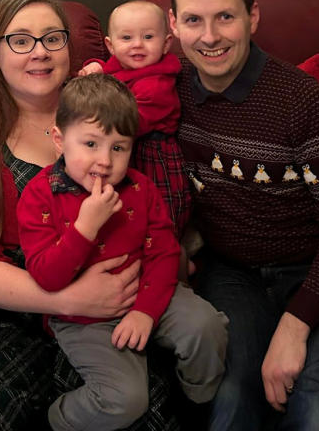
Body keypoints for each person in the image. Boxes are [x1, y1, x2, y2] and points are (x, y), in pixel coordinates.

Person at [0, 0, 176, 431]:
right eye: (21, 40)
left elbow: (145, 201)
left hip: (98, 301)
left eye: (52, 38)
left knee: (144, 409)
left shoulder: (97, 110)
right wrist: (69, 297)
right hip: (2, 302)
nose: (39, 53)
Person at [168, 0, 319, 431]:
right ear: (174, 25)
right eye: (194, 20)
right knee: (229, 405)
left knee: (317, 411)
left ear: (253, 17)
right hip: (232, 270)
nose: (209, 36)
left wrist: (296, 323)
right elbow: (97, 113)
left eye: (226, 16)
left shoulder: (304, 102)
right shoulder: (164, 90)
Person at [18, 74, 229, 431]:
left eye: (118, 147)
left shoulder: (140, 188)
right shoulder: (39, 197)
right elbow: (46, 277)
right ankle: (58, 419)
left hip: (147, 293)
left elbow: (164, 253)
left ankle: (197, 403)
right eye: (90, 143)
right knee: (126, 400)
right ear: (59, 140)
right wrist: (86, 227)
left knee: (207, 328)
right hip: (83, 320)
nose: (104, 160)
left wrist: (145, 312)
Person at [79, 0, 191, 238]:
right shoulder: (123, 64)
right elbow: (110, 70)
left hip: (153, 152)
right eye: (126, 38)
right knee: (128, 208)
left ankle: (172, 245)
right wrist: (95, 66)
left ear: (166, 43)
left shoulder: (158, 84)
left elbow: (131, 123)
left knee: (161, 208)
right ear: (110, 45)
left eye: (148, 37)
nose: (137, 45)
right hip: (123, 149)